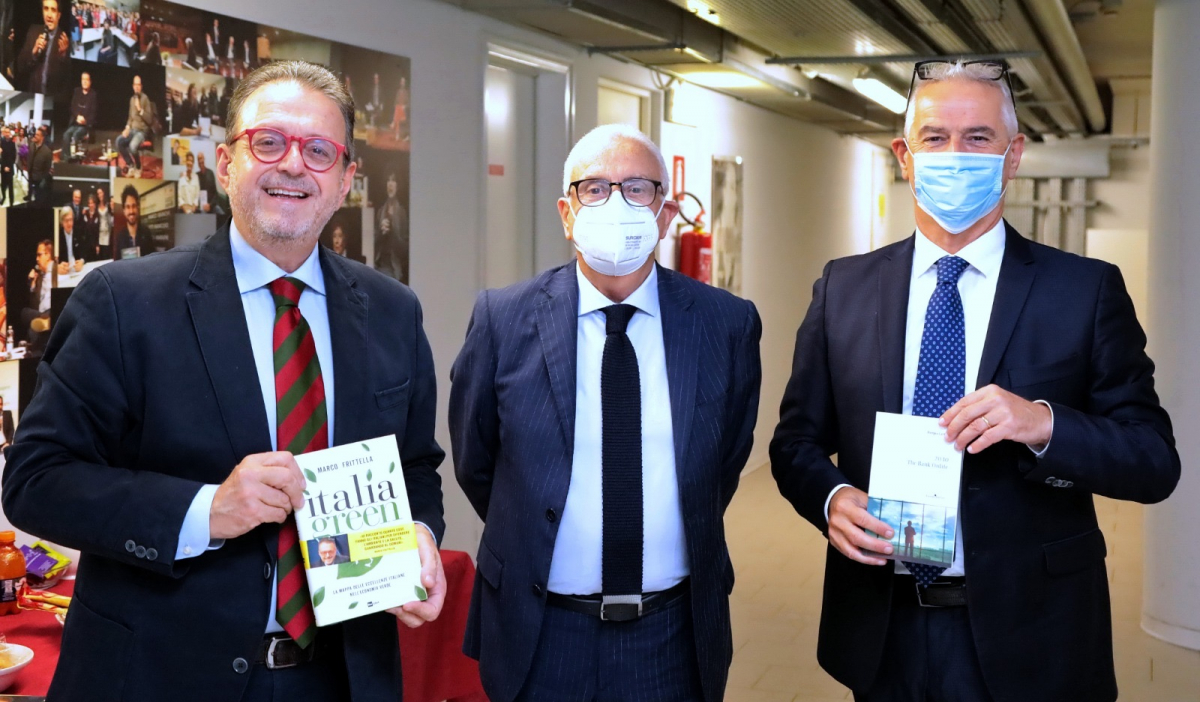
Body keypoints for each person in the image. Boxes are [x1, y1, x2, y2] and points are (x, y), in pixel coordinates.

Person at [2, 59, 448, 701]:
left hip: (342, 676)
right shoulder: (124, 302)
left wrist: (420, 537)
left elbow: (415, 466)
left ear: (346, 179)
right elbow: (37, 480)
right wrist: (204, 511)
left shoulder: (392, 311)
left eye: (319, 150)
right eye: (269, 142)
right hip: (163, 678)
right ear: (225, 163)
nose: (293, 165)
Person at [769, 59, 1180, 702]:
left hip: (1035, 633)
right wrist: (832, 498)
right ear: (904, 156)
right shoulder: (844, 288)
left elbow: (1153, 461)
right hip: (884, 628)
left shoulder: (1083, 291)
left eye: (978, 138)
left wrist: (1044, 424)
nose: (954, 156)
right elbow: (795, 443)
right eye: (935, 138)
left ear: (1013, 156)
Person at [450, 123, 763, 702]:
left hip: (672, 636)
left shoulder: (725, 323)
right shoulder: (503, 319)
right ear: (567, 214)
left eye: (637, 188)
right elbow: (477, 462)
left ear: (665, 215)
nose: (615, 203)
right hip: (539, 630)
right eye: (594, 188)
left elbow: (723, 464)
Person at [16, 0, 69, 94]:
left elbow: (66, 82)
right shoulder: (33, 31)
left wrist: (62, 57)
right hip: (32, 95)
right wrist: (33, 54)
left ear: (59, 15)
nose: (49, 15)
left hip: (52, 98)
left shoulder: (65, 40)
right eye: (46, 9)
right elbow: (20, 67)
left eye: (53, 10)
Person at [116, 74, 155, 177]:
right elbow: (130, 117)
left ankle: (138, 166)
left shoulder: (145, 99)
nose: (137, 87)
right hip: (132, 130)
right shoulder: (132, 99)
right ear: (133, 86)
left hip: (142, 132)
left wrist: (140, 109)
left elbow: (150, 120)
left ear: (141, 86)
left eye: (139, 85)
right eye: (135, 85)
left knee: (132, 146)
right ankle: (131, 165)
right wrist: (127, 128)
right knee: (119, 141)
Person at [374, 173, 408, 282]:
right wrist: (381, 233)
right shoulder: (380, 212)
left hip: (394, 269)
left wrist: (392, 231)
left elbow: (405, 250)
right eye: (388, 180)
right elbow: (373, 245)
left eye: (393, 180)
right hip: (378, 266)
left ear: (398, 185)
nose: (390, 184)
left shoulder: (402, 213)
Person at [20, 239, 53, 348]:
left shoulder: (57, 272)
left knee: (32, 326)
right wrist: (32, 284)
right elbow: (34, 305)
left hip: (53, 311)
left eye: (39, 255)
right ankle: (45, 319)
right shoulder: (39, 277)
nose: (37, 259)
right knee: (25, 313)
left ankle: (48, 318)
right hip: (42, 314)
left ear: (48, 255)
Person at [63, 71, 98, 151]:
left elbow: (94, 113)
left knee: (76, 135)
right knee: (66, 135)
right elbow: (72, 107)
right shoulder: (77, 91)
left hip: (85, 126)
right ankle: (66, 156)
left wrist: (85, 121)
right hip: (75, 123)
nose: (84, 82)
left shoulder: (93, 95)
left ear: (90, 82)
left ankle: (74, 156)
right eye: (83, 79)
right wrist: (77, 116)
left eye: (86, 80)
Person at [116, 184, 153, 256]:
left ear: (137, 208)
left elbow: (152, 259)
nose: (131, 211)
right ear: (124, 210)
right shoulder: (120, 237)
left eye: (134, 206)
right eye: (128, 207)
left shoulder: (146, 233)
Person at [27, 126, 52, 205]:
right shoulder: (31, 145)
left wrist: (42, 178)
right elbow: (29, 157)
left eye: (37, 135)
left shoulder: (47, 152)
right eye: (35, 134)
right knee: (30, 188)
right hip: (30, 173)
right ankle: (29, 197)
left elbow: (47, 168)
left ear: (42, 137)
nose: (35, 136)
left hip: (39, 178)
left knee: (38, 196)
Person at [56, 206, 86, 273]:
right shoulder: (57, 235)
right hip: (64, 272)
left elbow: (84, 251)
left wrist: (82, 261)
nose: (69, 223)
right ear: (62, 222)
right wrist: (57, 266)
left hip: (77, 270)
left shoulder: (78, 232)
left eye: (71, 220)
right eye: (66, 220)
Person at [95, 187, 113, 258]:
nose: (99, 195)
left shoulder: (108, 205)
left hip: (107, 233)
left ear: (103, 193)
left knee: (107, 254)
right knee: (101, 256)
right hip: (100, 234)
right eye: (98, 193)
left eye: (101, 193)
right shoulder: (96, 206)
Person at [0, 126, 15, 206]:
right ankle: (3, 197)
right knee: (3, 185)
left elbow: (13, 157)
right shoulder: (1, 143)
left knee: (10, 186)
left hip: (10, 168)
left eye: (8, 132)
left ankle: (11, 202)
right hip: (3, 167)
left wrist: (8, 166)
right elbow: (2, 157)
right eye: (5, 132)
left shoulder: (12, 143)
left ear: (10, 133)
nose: (7, 134)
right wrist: (4, 166)